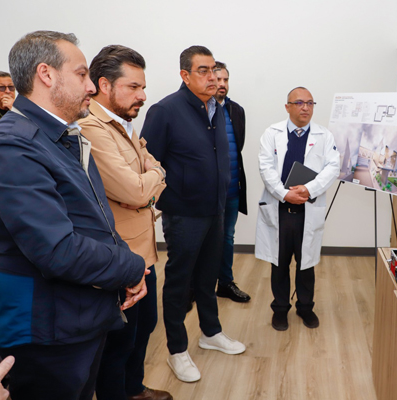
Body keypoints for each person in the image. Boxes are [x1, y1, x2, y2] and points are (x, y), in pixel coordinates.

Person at [0, 31, 147, 400]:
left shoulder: (60, 137)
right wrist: (131, 266)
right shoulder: (12, 144)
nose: (91, 86)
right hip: (46, 330)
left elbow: (95, 219)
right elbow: (58, 250)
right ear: (46, 74)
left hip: (78, 316)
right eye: (81, 74)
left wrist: (126, 261)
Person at [141, 45, 245, 383]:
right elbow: (148, 162)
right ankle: (176, 349)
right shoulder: (165, 110)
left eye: (214, 69)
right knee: (179, 281)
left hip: (216, 208)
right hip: (184, 212)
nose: (212, 76)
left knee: (208, 275)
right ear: (185, 75)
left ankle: (211, 332)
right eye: (203, 70)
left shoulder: (216, 107)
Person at [79, 45, 172, 400]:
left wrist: (149, 177)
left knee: (144, 327)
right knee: (120, 341)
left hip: (142, 251)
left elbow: (146, 174)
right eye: (133, 87)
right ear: (104, 85)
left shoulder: (123, 124)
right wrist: (156, 175)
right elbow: (135, 190)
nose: (143, 96)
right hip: (119, 255)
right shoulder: (92, 127)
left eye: (142, 87)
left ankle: (134, 390)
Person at [255, 87, 340, 331]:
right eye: (300, 103)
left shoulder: (324, 135)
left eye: (310, 103)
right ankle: (280, 309)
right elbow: (265, 168)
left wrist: (308, 189)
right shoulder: (272, 133)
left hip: (307, 208)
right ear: (288, 107)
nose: (306, 108)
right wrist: (285, 194)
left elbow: (333, 167)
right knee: (279, 263)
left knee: (306, 264)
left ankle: (305, 308)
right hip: (280, 209)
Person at [213, 61, 250, 303]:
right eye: (218, 79)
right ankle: (196, 287)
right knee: (204, 240)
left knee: (227, 237)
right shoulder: (199, 111)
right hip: (208, 192)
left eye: (225, 80)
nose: (222, 84)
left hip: (232, 189)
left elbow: (239, 146)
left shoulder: (236, 110)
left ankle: (225, 283)